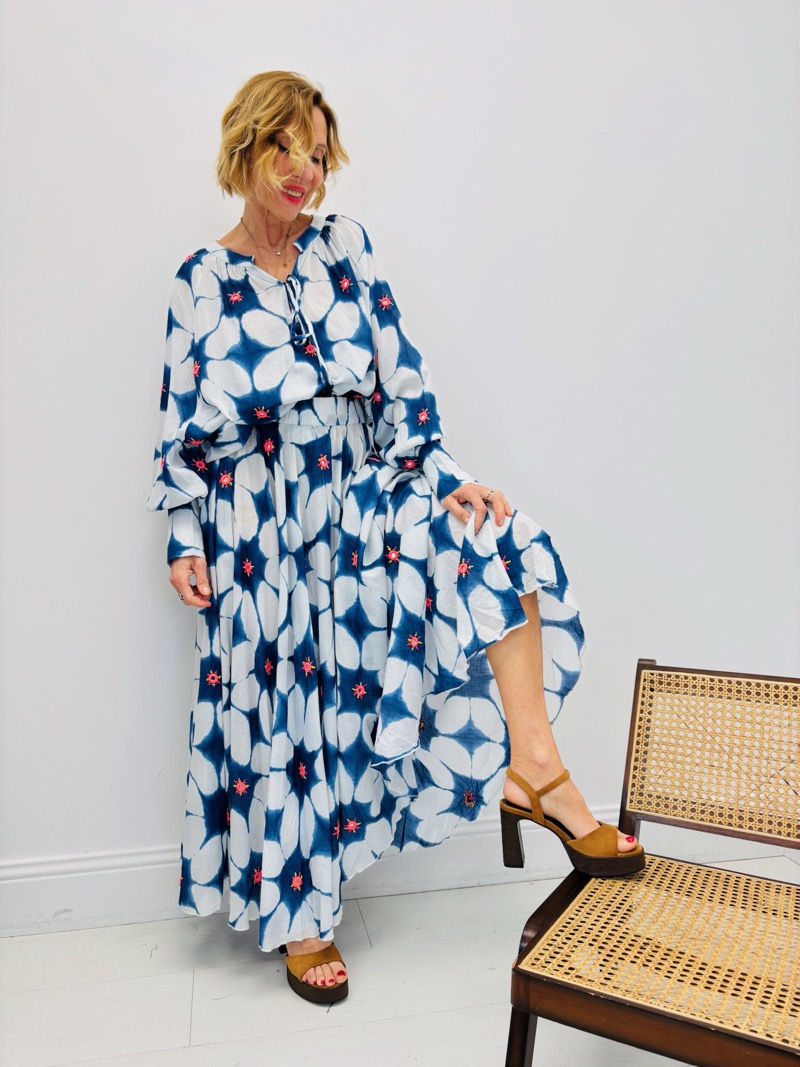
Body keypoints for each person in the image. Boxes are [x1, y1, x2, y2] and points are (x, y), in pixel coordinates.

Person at [147, 71, 644, 1005]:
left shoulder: (347, 248)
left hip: (355, 492)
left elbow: (401, 386)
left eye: (316, 153)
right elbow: (182, 426)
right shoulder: (200, 280)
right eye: (284, 147)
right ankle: (303, 917)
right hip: (257, 524)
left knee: (499, 540)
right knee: (290, 707)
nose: (303, 169)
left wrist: (448, 482)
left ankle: (537, 771)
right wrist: (185, 536)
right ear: (246, 146)